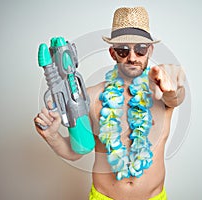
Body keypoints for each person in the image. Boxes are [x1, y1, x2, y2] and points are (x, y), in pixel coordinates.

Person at [34, 6, 185, 200]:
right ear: (113, 53)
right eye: (123, 50)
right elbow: (76, 151)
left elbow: (176, 97)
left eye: (140, 49)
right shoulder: (91, 96)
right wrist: (52, 135)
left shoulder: (162, 88)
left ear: (150, 50)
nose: (132, 57)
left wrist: (172, 88)